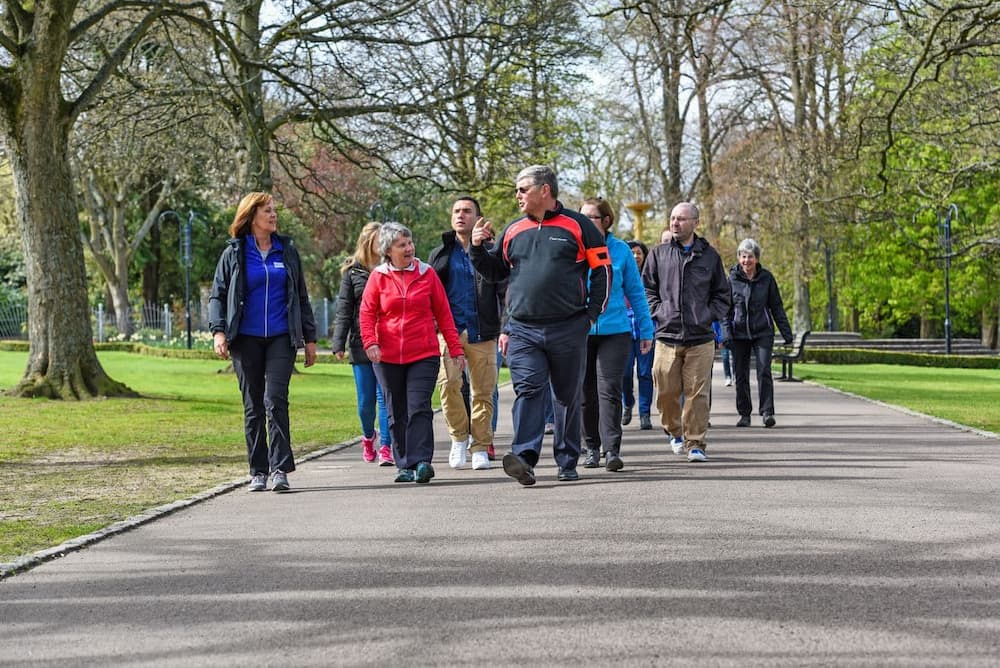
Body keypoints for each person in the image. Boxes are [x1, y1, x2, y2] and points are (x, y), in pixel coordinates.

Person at [470, 165, 611, 485]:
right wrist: (477, 248)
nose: (517, 195)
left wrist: (590, 316)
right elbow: (494, 272)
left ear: (544, 190)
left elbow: (603, 271)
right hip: (522, 329)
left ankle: (566, 460)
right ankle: (524, 457)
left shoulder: (578, 226)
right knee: (529, 389)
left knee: (566, 396)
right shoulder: (513, 229)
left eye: (523, 189)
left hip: (568, 326)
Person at [209, 192, 318, 493]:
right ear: (251, 216)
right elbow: (217, 295)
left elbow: (301, 296)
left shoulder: (287, 251)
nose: (273, 215)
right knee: (253, 405)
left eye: (274, 211)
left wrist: (310, 338)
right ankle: (258, 470)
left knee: (276, 400)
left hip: (281, 338)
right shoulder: (235, 252)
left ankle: (280, 468)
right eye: (267, 211)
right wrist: (219, 331)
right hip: (245, 339)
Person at [360, 222, 465, 484]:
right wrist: (370, 342)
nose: (409, 248)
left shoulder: (427, 273)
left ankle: (422, 462)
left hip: (423, 353)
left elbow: (444, 313)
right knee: (396, 410)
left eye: (410, 242)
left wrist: (455, 348)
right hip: (387, 355)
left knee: (419, 407)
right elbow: (366, 313)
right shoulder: (378, 277)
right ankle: (403, 463)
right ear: (388, 251)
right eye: (402, 245)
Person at [643, 202, 730, 463]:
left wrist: (707, 316)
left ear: (695, 223)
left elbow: (722, 295)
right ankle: (674, 431)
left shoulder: (710, 257)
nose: (675, 223)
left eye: (681, 219)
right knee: (665, 390)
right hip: (666, 335)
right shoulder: (658, 254)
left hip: (700, 337)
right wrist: (659, 312)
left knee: (697, 393)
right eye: (672, 218)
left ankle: (696, 443)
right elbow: (646, 289)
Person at [428, 196, 503, 471]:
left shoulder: (493, 253)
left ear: (478, 217)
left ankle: (481, 446)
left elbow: (504, 292)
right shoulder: (440, 254)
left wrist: (505, 329)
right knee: (448, 386)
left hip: (483, 332)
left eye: (467, 211)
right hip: (449, 332)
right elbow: (429, 294)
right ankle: (459, 438)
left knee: (484, 392)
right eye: (457, 211)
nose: (461, 215)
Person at [579, 198, 653, 472]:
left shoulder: (620, 250)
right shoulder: (573, 248)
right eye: (582, 216)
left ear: (606, 220)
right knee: (585, 392)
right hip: (581, 331)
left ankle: (612, 450)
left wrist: (645, 330)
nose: (585, 222)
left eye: (592, 217)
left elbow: (636, 293)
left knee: (608, 390)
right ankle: (591, 448)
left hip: (616, 331)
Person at [331, 222, 394, 466]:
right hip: (361, 343)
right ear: (369, 243)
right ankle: (369, 436)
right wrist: (339, 342)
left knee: (384, 397)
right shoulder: (352, 273)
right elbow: (344, 310)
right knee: (365, 401)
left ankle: (387, 447)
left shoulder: (391, 269)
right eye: (380, 241)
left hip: (387, 342)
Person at [721, 238, 793, 428]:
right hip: (738, 333)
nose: (746, 261)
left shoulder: (767, 278)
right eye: (743, 257)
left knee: (764, 371)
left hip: (762, 331)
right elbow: (725, 311)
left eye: (750, 257)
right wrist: (726, 334)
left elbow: (776, 306)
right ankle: (744, 414)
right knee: (741, 374)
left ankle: (767, 412)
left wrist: (787, 333)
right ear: (739, 258)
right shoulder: (732, 279)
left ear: (757, 259)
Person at [622, 240, 655, 430]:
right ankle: (628, 403)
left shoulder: (650, 276)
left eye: (639, 253)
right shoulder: (621, 272)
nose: (635, 256)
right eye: (632, 253)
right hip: (623, 332)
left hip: (644, 331)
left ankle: (645, 414)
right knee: (624, 374)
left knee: (644, 373)